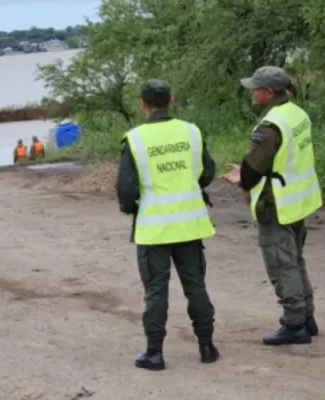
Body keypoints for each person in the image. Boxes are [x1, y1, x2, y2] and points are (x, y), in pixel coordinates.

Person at [116, 80, 219, 371]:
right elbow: (206, 172)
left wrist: (131, 208)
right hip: (190, 225)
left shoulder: (135, 139)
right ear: (170, 101)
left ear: (142, 104)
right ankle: (207, 345)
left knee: (156, 291)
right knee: (195, 285)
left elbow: (126, 189)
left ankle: (155, 353)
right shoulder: (191, 131)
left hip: (154, 229)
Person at [220, 66, 321, 345]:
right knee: (295, 260)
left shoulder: (270, 126)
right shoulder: (297, 113)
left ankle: (294, 324)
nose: (252, 92)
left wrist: (242, 177)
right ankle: (307, 317)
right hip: (298, 199)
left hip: (276, 203)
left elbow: (255, 168)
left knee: (281, 264)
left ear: (268, 92)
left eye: (255, 88)